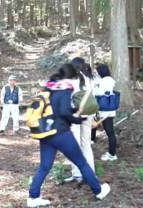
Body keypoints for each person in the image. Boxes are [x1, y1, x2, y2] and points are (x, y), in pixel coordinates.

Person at [27, 63, 110, 207]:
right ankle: (99, 191)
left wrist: (74, 110)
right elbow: (64, 112)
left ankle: (33, 197)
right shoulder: (65, 87)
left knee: (44, 166)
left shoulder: (49, 86)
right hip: (61, 133)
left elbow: (57, 110)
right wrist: (79, 118)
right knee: (81, 162)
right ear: (71, 76)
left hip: (46, 133)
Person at [65, 57, 96, 183]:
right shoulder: (89, 78)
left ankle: (77, 174)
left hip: (75, 114)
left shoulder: (71, 79)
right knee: (86, 144)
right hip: (89, 113)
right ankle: (90, 173)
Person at [93, 64, 118, 161]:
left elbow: (99, 93)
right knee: (110, 132)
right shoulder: (110, 80)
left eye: (97, 72)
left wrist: (94, 88)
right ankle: (112, 153)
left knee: (110, 132)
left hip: (105, 111)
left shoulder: (104, 81)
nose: (96, 74)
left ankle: (112, 154)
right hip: (110, 109)